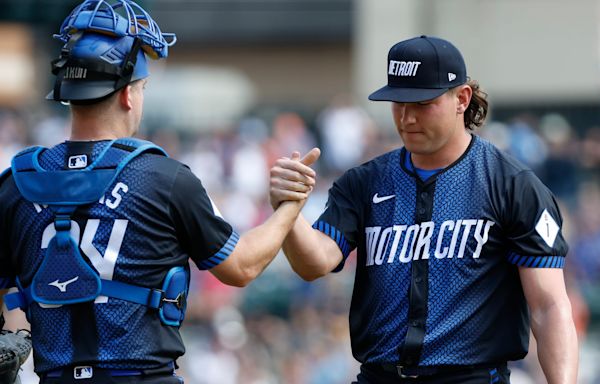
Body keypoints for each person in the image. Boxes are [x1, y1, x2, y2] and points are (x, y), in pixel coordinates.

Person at [0, 1, 319, 383]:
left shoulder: (15, 182)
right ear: (128, 95)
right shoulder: (161, 177)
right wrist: (289, 207)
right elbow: (242, 267)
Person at [269, 35, 579, 383]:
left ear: (461, 98)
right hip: (380, 376)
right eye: (398, 104)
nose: (407, 118)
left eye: (422, 103)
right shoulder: (365, 182)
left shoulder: (510, 184)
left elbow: (549, 306)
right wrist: (289, 212)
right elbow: (314, 263)